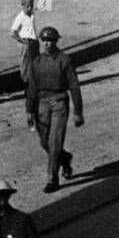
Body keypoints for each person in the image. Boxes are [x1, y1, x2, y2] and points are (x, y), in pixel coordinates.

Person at [26, 26, 84, 194]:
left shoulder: (64, 60)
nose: (47, 44)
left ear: (56, 41)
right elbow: (32, 87)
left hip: (59, 102)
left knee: (54, 142)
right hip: (42, 103)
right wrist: (29, 109)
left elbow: (74, 86)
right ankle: (65, 158)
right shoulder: (37, 61)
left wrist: (78, 112)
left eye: (50, 40)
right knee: (44, 142)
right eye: (44, 40)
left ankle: (52, 179)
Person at [10, 0, 39, 86]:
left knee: (35, 62)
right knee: (26, 64)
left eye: (31, 5)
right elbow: (12, 33)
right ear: (23, 6)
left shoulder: (32, 14)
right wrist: (22, 41)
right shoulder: (20, 17)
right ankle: (26, 84)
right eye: (28, 6)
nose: (30, 8)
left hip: (33, 41)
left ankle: (34, 82)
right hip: (26, 43)